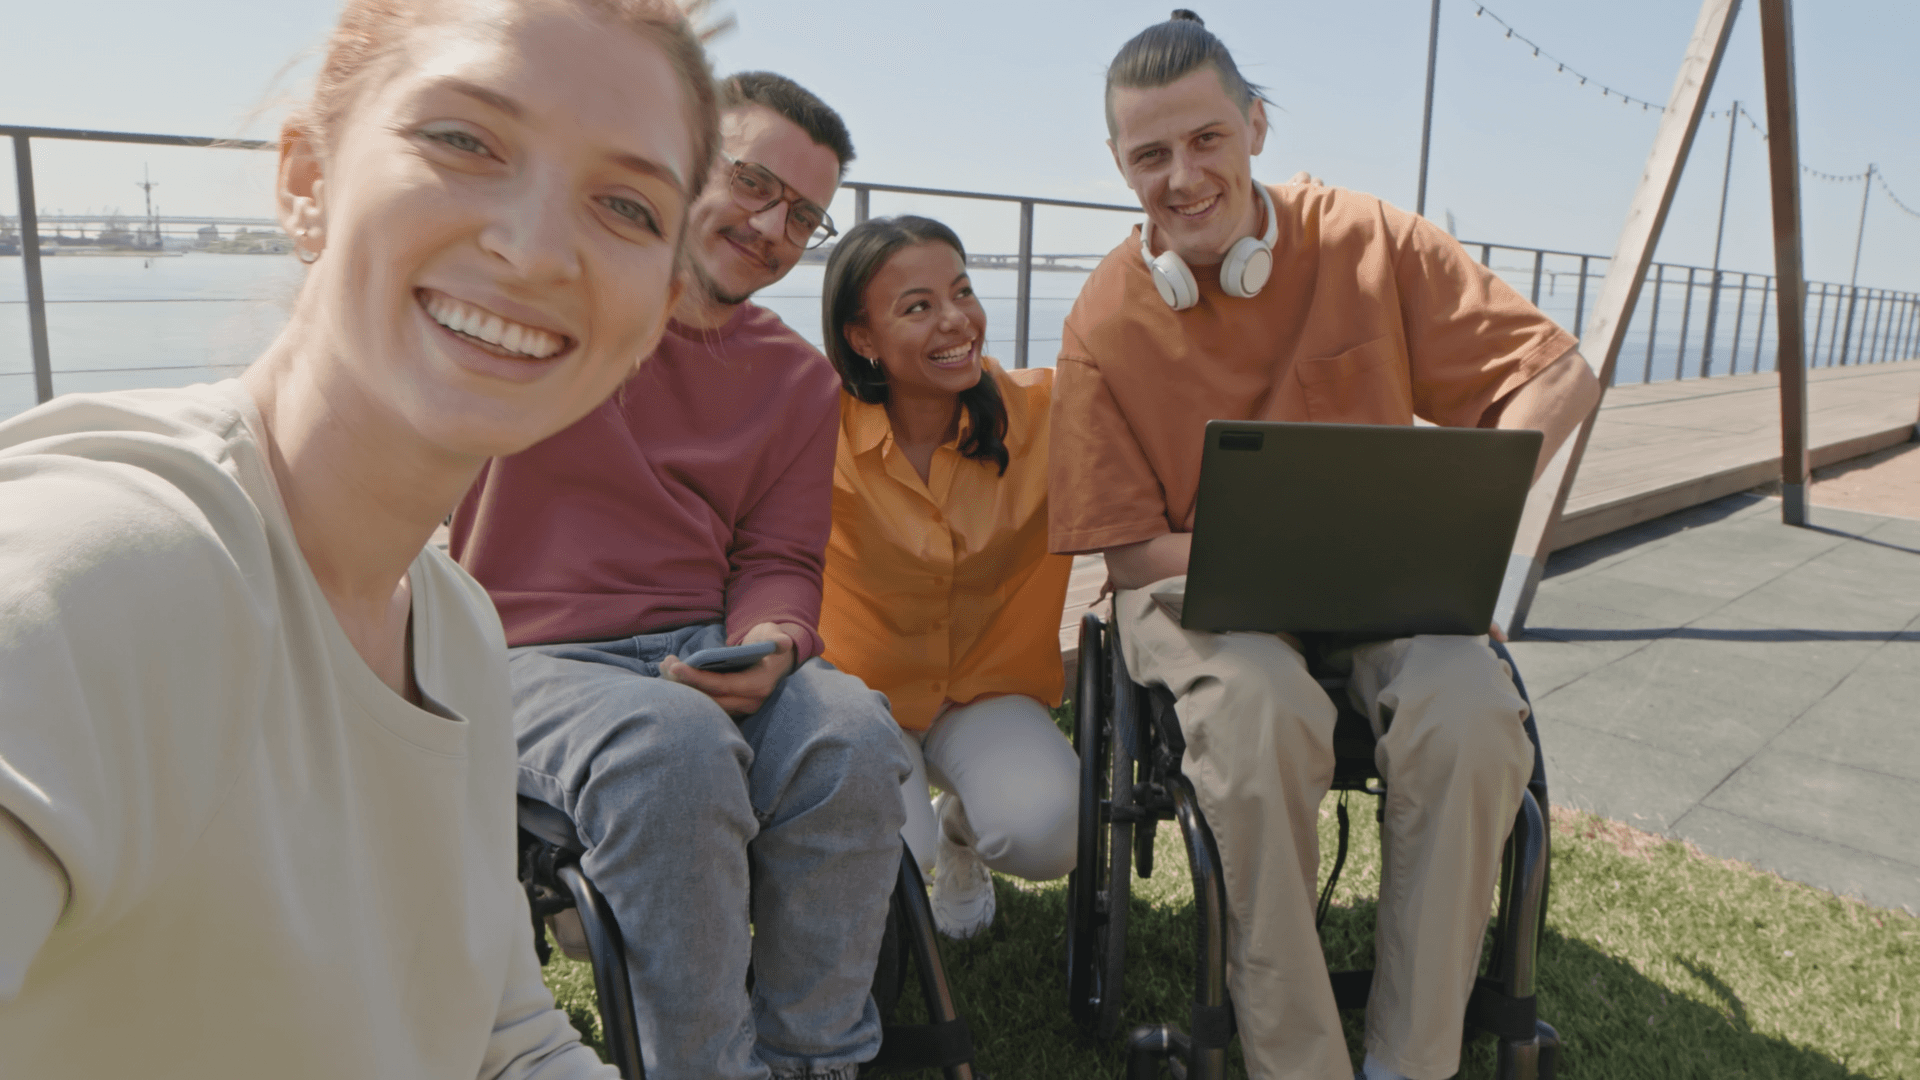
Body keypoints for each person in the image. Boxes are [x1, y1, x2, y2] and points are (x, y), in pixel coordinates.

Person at [0, 1, 719, 1076]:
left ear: (656, 315)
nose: (532, 250)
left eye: (624, 204)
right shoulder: (104, 562)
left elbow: (500, 1034)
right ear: (307, 180)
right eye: (463, 141)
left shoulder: (456, 625)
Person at [1048, 12, 1602, 1080]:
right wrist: (1280, 580)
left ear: (1255, 126)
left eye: (1206, 138)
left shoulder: (1368, 238)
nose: (1183, 175)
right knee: (1259, 710)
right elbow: (1124, 556)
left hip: (1385, 582)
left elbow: (1560, 375)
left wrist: (1456, 523)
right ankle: (1297, 1063)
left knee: (1474, 712)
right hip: (1196, 595)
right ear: (1120, 167)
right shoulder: (1102, 322)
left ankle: (1412, 1060)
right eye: (1150, 155)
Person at [450, 72, 908, 1080]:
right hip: (528, 654)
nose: (771, 225)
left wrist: (777, 644)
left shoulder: (796, 380)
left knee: (856, 735)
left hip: (705, 639)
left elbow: (780, 559)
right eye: (751, 181)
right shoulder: (545, 291)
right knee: (674, 748)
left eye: (803, 214)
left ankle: (815, 1061)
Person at [816, 215, 1078, 940]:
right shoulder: (812, 425)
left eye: (962, 292)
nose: (957, 320)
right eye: (918, 306)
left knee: (1052, 830)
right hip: (862, 702)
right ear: (861, 338)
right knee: (890, 861)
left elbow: (1164, 408)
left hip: (987, 692)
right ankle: (921, 842)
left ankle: (962, 837)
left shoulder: (1051, 412)